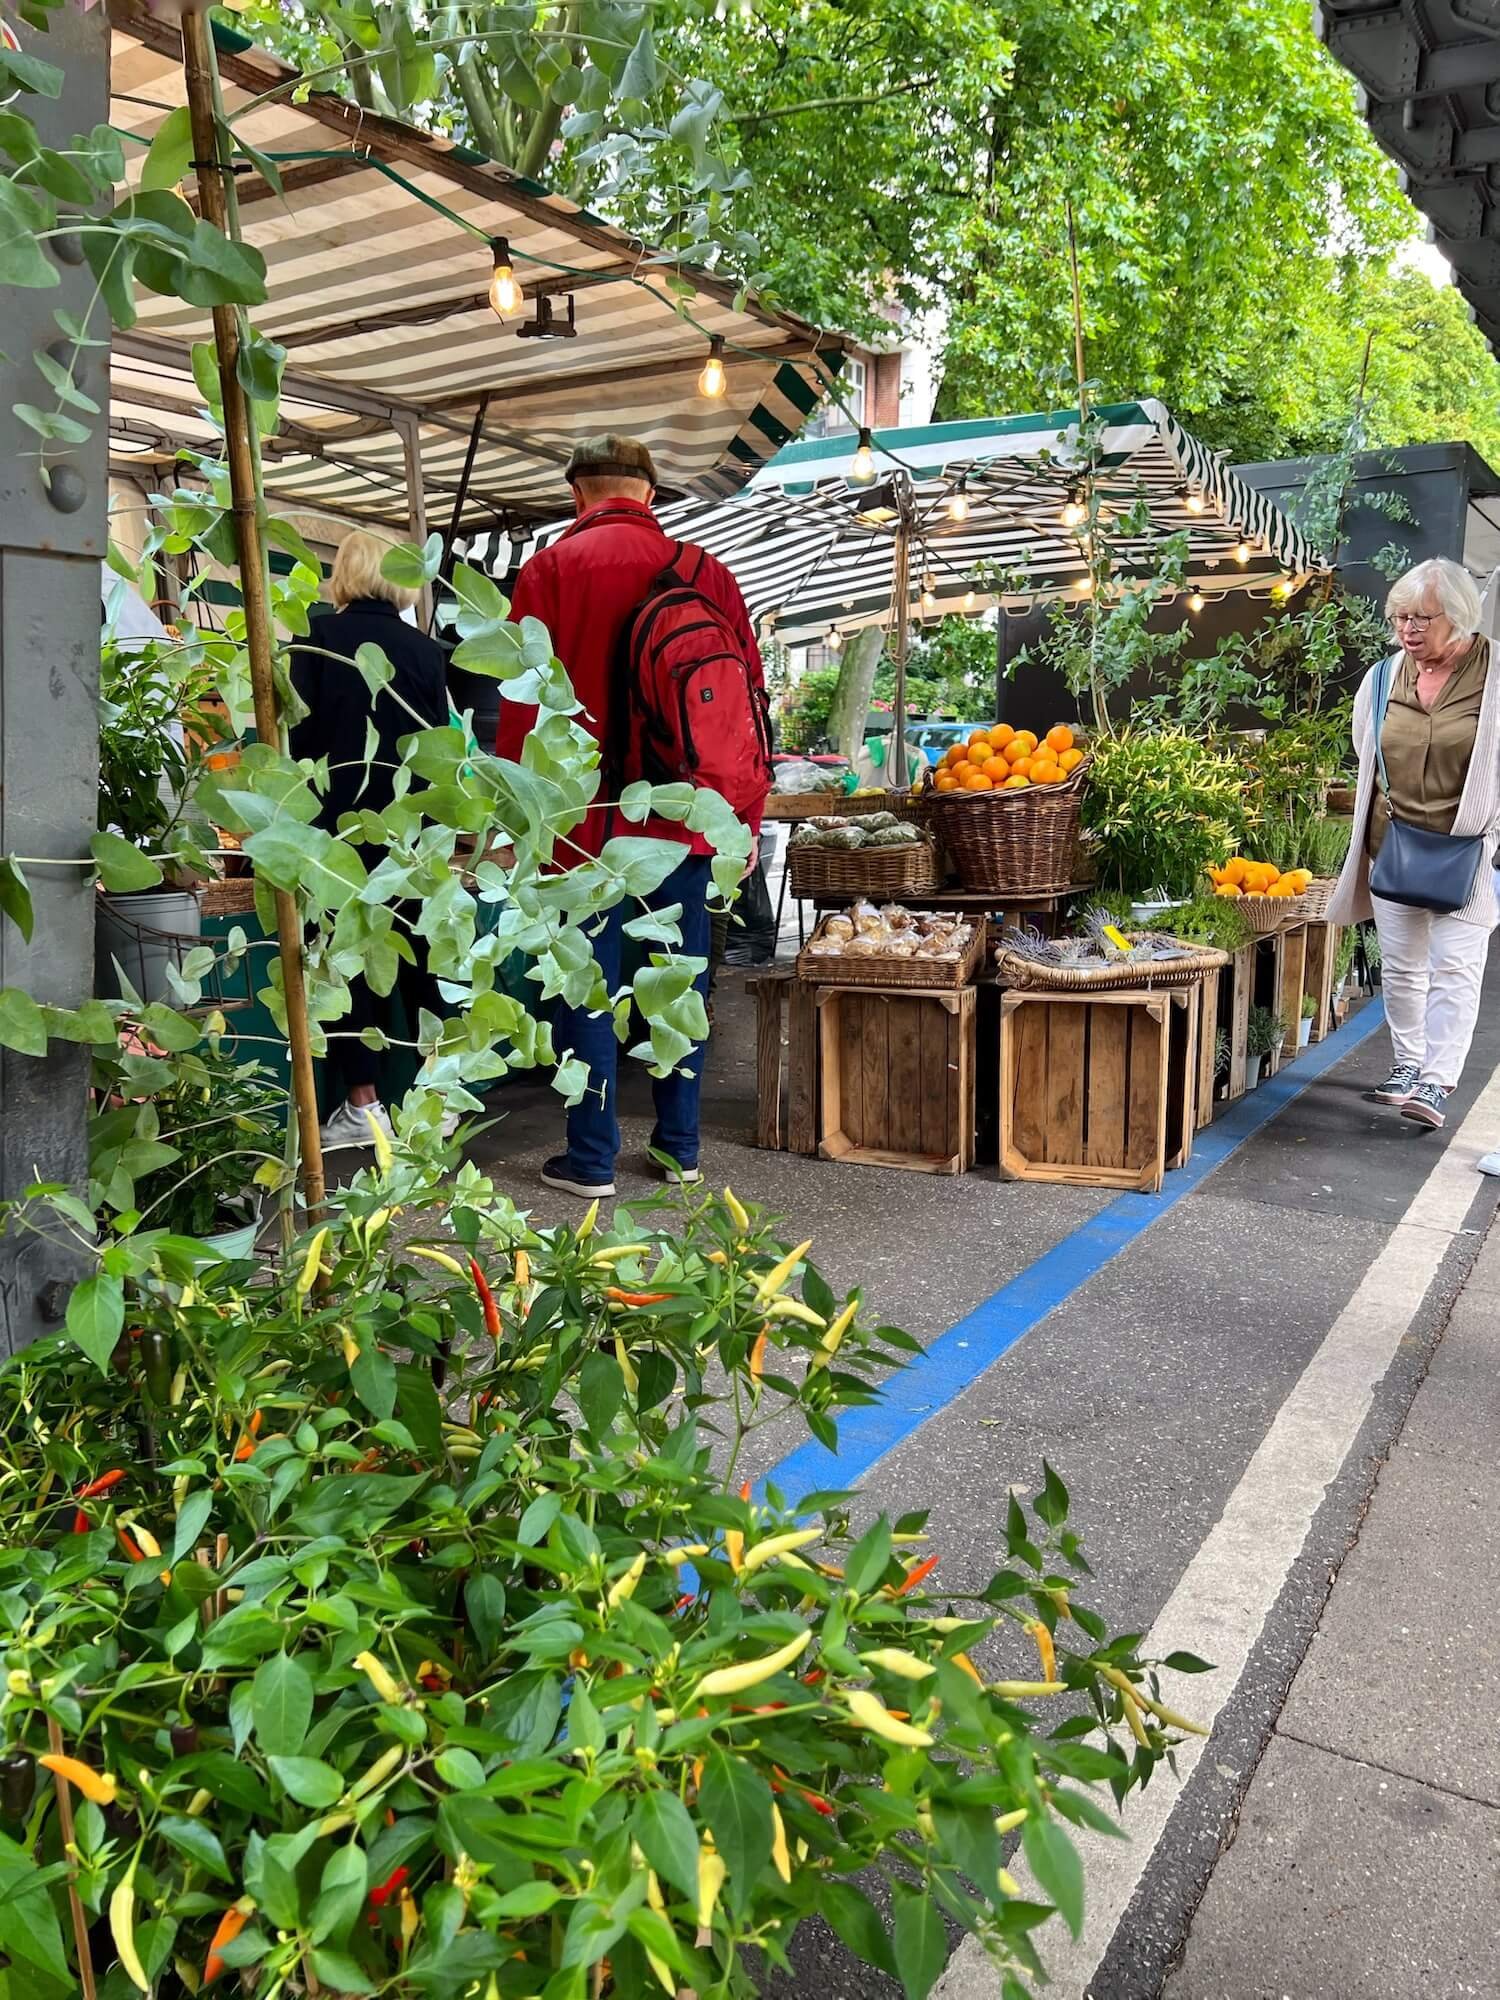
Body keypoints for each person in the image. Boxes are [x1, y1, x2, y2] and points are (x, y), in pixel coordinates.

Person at [498, 433, 769, 1198]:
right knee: (678, 983)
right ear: (649, 494)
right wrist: (739, 821)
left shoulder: (549, 571)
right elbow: (745, 707)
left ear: (577, 494)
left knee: (590, 989)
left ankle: (591, 1161)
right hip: (685, 821)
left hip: (585, 825)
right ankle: (679, 1147)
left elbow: (524, 713)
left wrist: (530, 826)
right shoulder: (705, 572)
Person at [289, 530, 452, 1151]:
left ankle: (363, 1107)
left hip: (337, 828)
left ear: (344, 574)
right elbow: (437, 748)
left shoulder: (316, 640)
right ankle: (439, 1097)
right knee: (421, 961)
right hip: (412, 827)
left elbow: (295, 744)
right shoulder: (425, 651)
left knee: (347, 962)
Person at [1327, 556, 1500, 1132]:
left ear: (1458, 616)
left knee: (1456, 966)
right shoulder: (1381, 678)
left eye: (1422, 618)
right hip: (1395, 845)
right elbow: (1365, 750)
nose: (1408, 629)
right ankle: (1407, 1064)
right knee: (1403, 967)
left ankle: (1437, 1079)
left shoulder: (1494, 674)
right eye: (1400, 617)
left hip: (1466, 852)